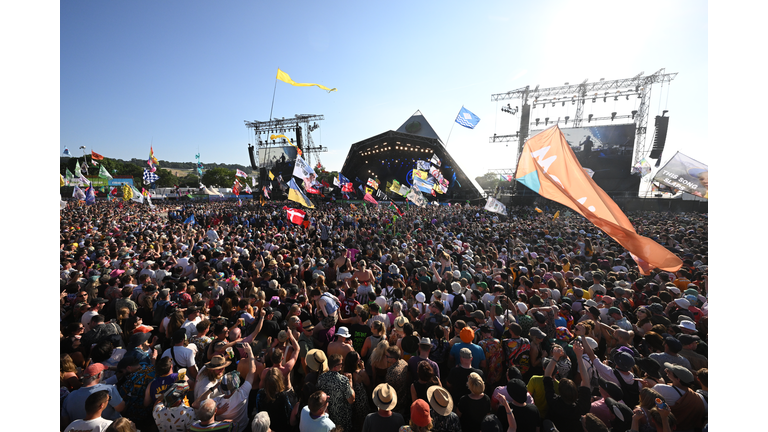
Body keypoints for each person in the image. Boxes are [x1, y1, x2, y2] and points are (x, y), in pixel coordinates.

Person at [61, 363, 126, 429]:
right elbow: (121, 408)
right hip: (109, 429)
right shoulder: (108, 389)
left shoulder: (69, 397)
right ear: (99, 375)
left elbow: (65, 423)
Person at [317, 353, 356, 432]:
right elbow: (351, 400)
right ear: (336, 366)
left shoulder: (321, 378)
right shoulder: (343, 380)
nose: (342, 365)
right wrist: (351, 382)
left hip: (327, 417)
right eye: (341, 364)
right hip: (342, 419)